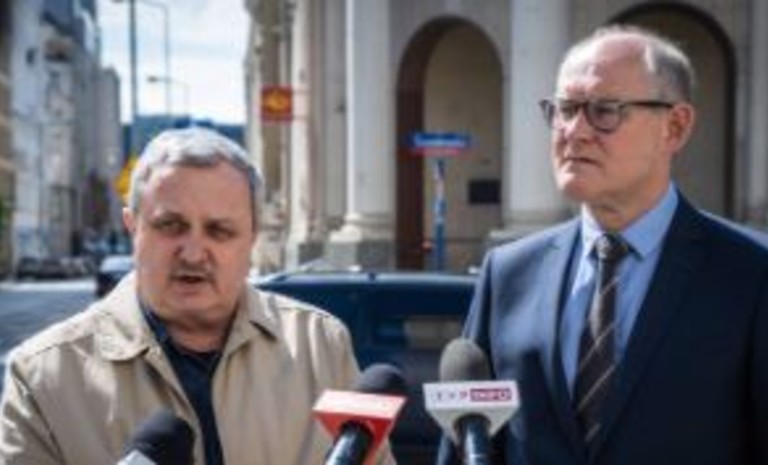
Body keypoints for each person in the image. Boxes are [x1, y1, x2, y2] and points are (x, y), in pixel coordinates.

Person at [437, 25, 768, 465]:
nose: (574, 131)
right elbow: (466, 445)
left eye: (604, 111)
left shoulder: (751, 274)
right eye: (565, 109)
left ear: (675, 126)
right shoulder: (508, 273)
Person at [0, 128, 395, 465]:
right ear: (132, 227)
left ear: (253, 237)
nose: (192, 253)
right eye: (171, 226)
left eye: (219, 231)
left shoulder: (321, 345)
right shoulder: (43, 376)